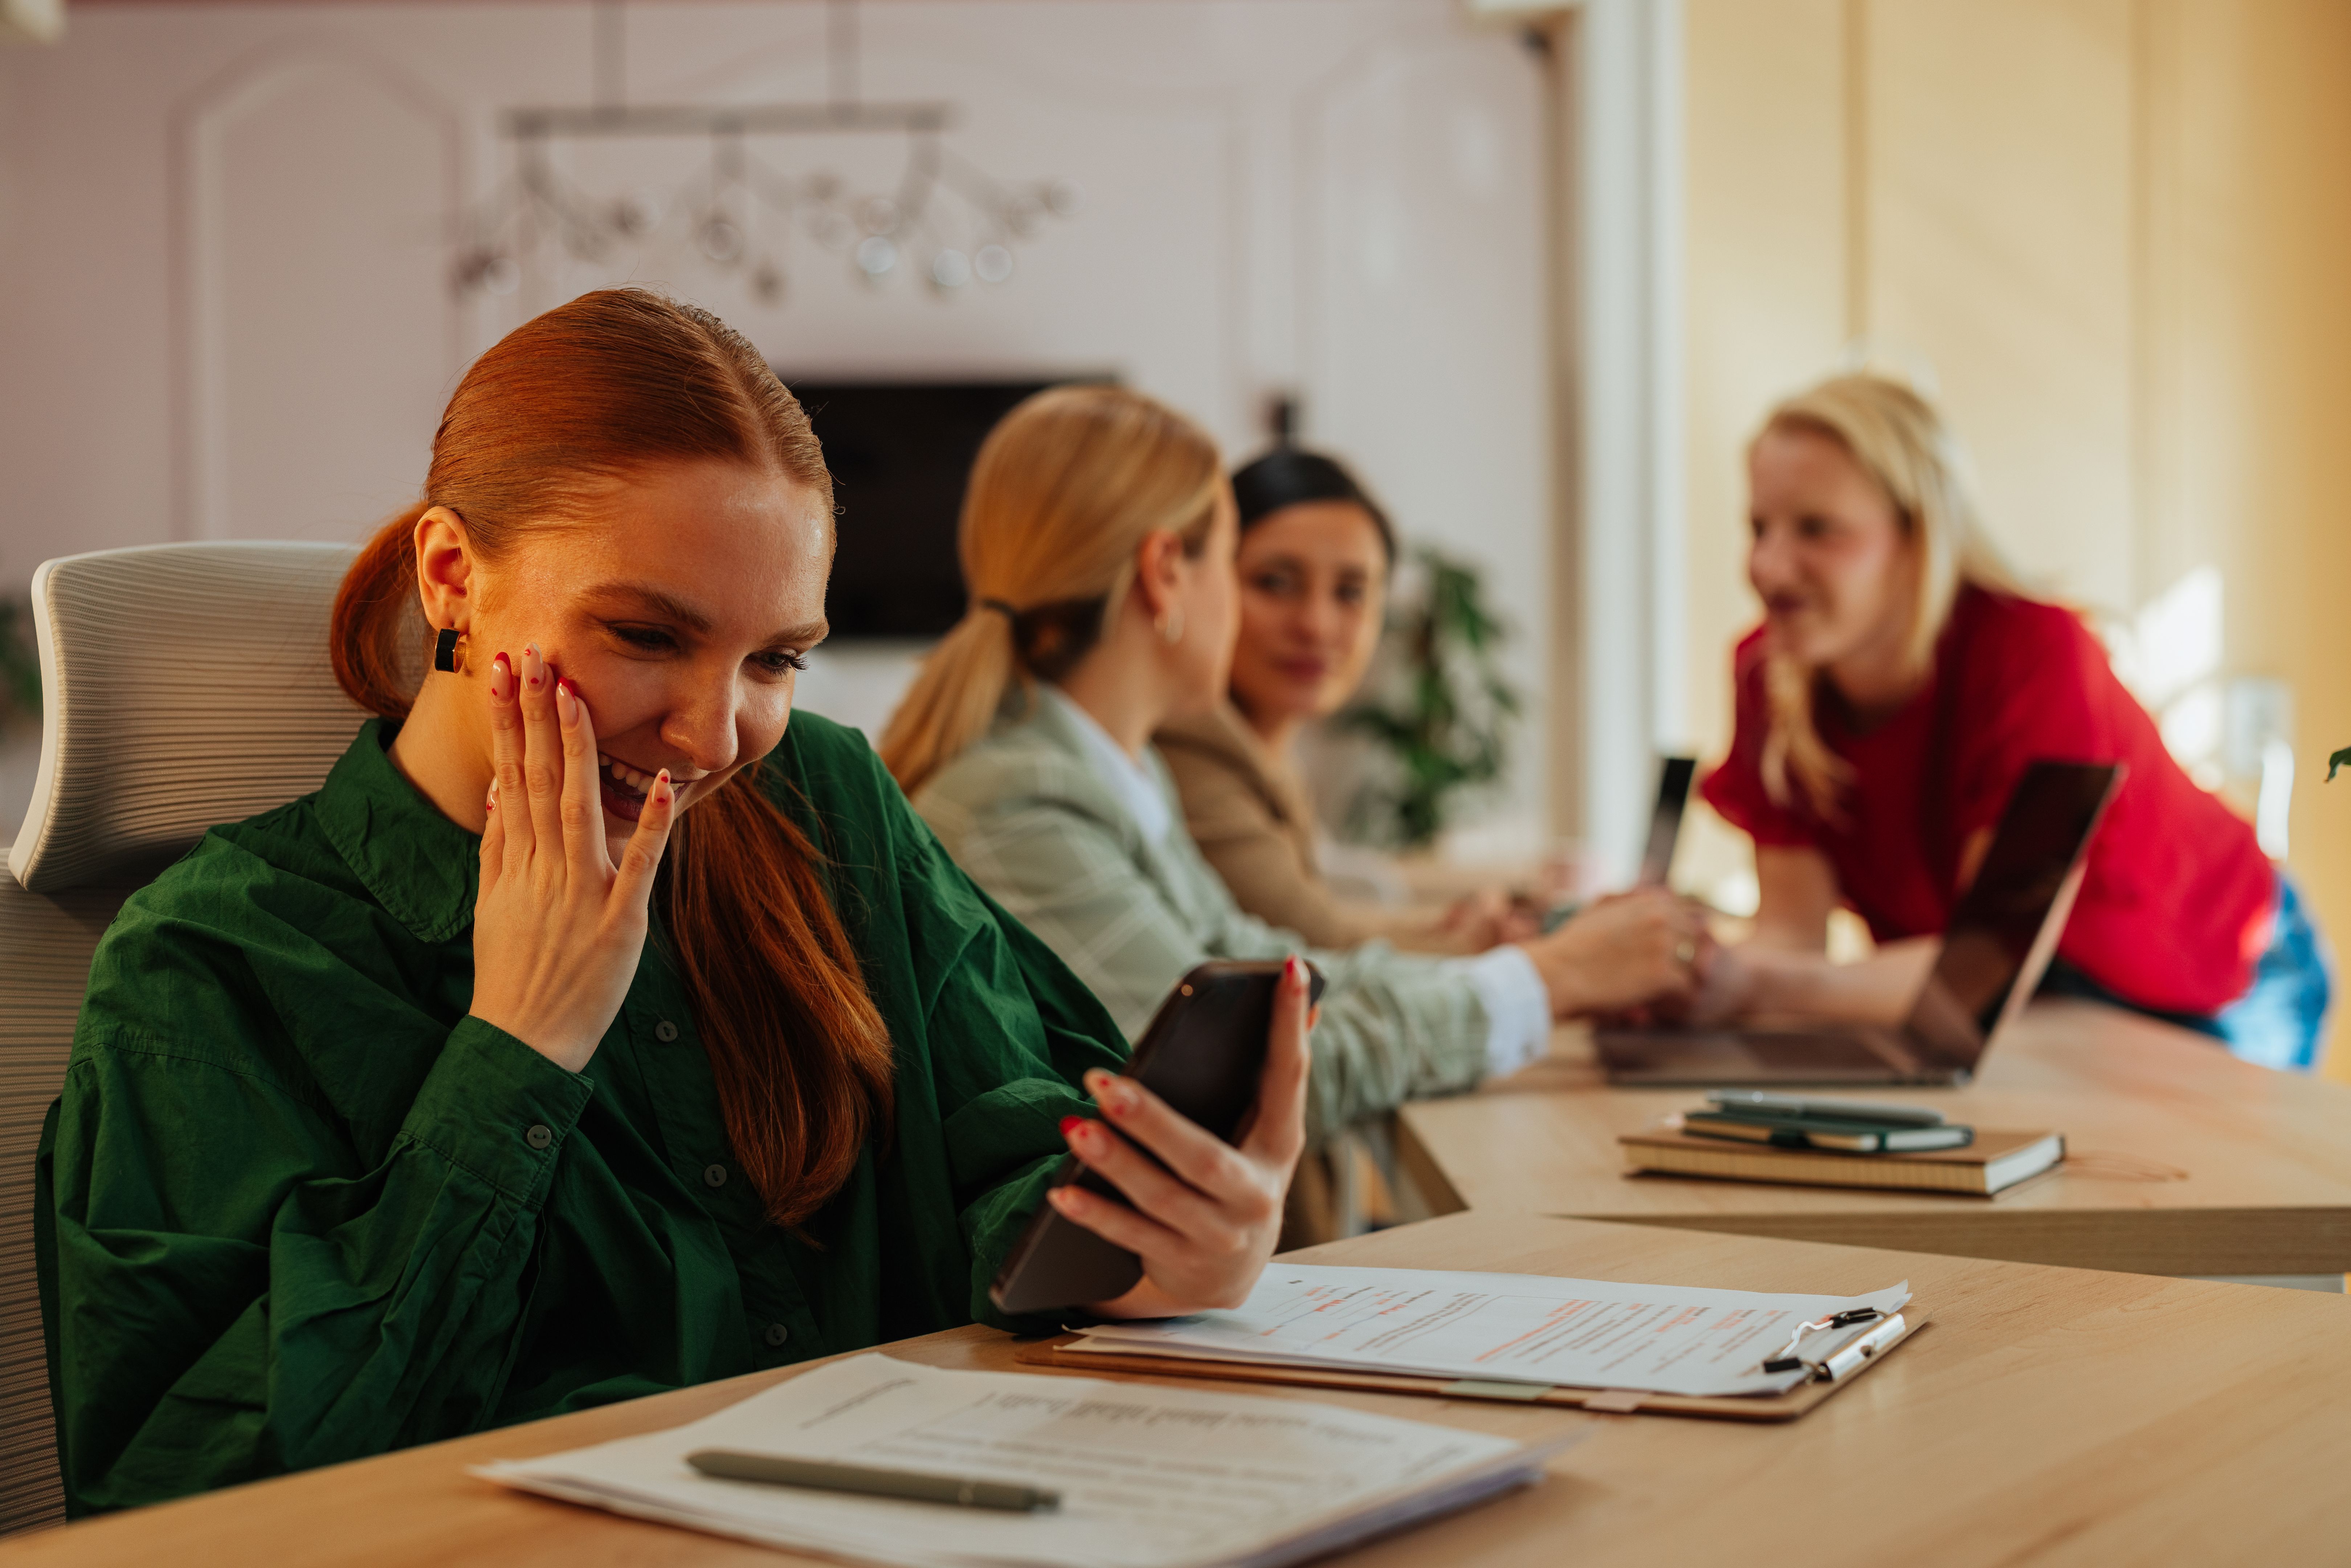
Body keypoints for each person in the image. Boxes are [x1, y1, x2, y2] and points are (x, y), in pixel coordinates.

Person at [34, 290, 1311, 1516]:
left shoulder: (821, 801)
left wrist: (1156, 1241)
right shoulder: (210, 963)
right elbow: (192, 1506)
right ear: (450, 578)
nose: (711, 737)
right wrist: (517, 1052)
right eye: (645, 637)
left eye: (776, 659)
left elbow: (1005, 1141)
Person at [880, 384, 1705, 1163]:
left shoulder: (1109, 774)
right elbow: (1229, 1087)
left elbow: (1275, 974)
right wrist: (1547, 981)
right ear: (1166, 572)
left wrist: (1534, 970)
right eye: (1241, 566)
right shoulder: (1022, 803)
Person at [1695, 372, 2329, 1071]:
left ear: (1918, 537)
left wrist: (1750, 983)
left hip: (2218, 971)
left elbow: (1988, 961)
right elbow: (1791, 937)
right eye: (1758, 527)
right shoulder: (1770, 675)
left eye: (1817, 529)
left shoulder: (2031, 654)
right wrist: (1691, 968)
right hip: (2036, 992)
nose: (1766, 566)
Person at [1154, 447, 1526, 954]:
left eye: (1350, 592)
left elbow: (1320, 917)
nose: (1315, 625)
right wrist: (1503, 949)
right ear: (1201, 580)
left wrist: (1462, 928)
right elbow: (1312, 945)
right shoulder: (1190, 746)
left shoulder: (1266, 750)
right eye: (1275, 583)